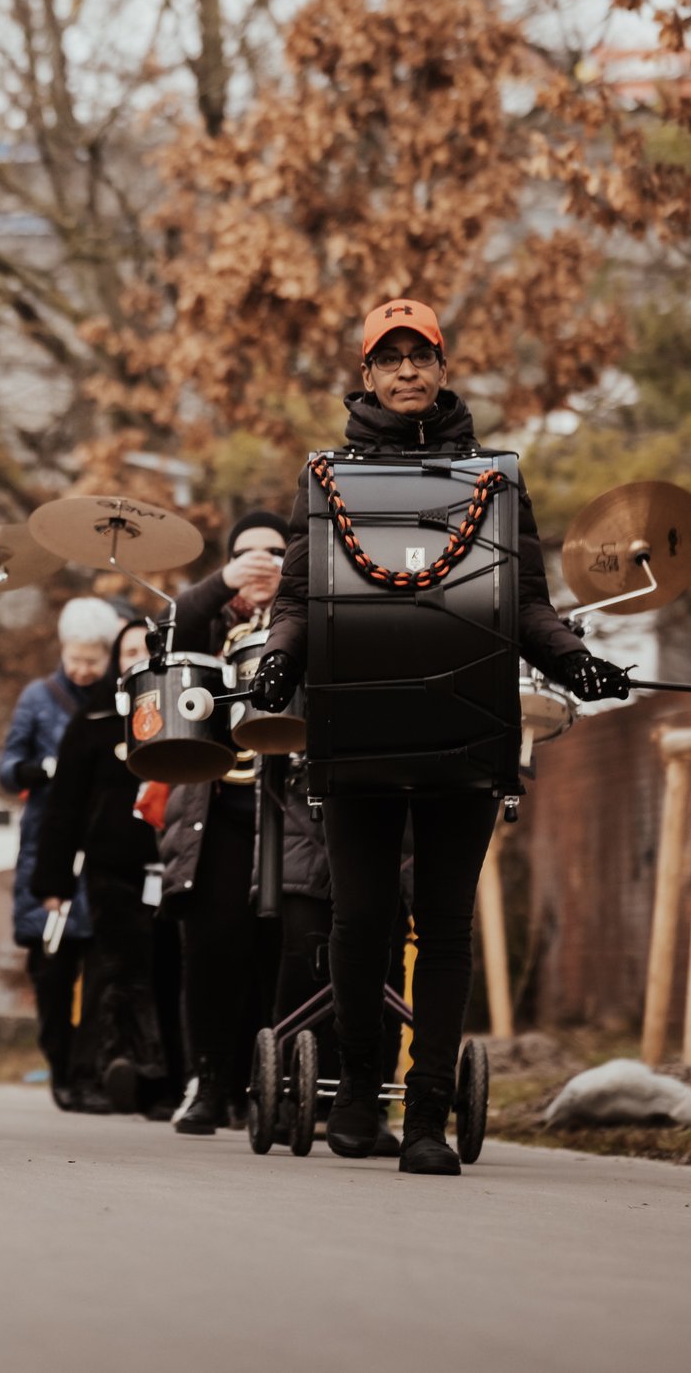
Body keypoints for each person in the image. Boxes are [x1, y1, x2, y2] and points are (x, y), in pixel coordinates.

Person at [251, 298, 627, 1174]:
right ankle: (354, 1092)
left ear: (445, 369)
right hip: (355, 725)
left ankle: (425, 1116)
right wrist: (278, 663)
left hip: (467, 728)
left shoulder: (494, 479)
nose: (409, 370)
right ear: (368, 374)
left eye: (423, 355)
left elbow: (524, 601)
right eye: (392, 357)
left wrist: (576, 662)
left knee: (446, 924)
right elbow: (300, 603)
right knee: (363, 916)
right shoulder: (327, 479)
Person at [156, 508, 288, 1136]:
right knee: (212, 951)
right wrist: (224, 583)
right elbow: (167, 632)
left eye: (276, 552)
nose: (264, 561)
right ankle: (209, 1084)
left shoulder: (308, 614)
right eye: (249, 552)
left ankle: (280, 1086)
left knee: (284, 952)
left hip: (293, 810)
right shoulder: (209, 621)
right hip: (219, 809)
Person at [31, 616, 172, 1116]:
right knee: (113, 972)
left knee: (166, 970)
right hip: (111, 866)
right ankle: (97, 1072)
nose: (137, 657)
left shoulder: (183, 712)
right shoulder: (92, 720)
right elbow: (63, 805)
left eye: (147, 649)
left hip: (173, 867)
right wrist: (52, 880)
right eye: (128, 649)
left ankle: (163, 1081)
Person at [2, 596, 124, 1103]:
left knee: (99, 968)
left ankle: (88, 1071)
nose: (82, 669)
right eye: (76, 657)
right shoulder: (38, 696)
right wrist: (35, 771)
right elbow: (8, 765)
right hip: (48, 843)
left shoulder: (116, 701)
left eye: (93, 660)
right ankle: (59, 1067)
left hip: (99, 845)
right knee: (50, 968)